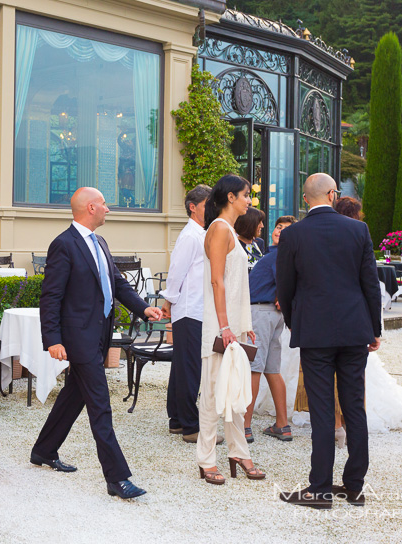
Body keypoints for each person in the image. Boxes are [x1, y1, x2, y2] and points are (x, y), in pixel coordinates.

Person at [27, 187, 162, 500]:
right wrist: (53, 340)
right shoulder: (63, 244)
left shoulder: (99, 241)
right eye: (104, 204)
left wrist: (143, 307)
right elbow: (51, 296)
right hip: (79, 338)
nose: (108, 209)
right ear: (90, 207)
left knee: (74, 395)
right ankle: (117, 479)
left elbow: (116, 283)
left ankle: (43, 450)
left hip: (99, 335)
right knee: (100, 405)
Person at [277, 173, 381, 509]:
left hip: (316, 333)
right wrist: (374, 328)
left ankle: (319, 489)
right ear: (333, 195)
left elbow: (285, 287)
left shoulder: (293, 234)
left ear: (306, 199)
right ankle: (354, 487)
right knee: (354, 408)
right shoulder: (358, 230)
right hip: (354, 331)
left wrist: (296, 323)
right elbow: (370, 283)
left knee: (322, 411)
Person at [197, 174, 264, 486]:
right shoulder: (219, 229)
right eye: (245, 194)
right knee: (212, 393)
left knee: (236, 391)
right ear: (231, 198)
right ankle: (206, 460)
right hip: (218, 326)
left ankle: (239, 452)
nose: (249, 200)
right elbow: (217, 281)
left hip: (232, 327)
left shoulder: (231, 231)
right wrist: (225, 325)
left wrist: (244, 325)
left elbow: (239, 285)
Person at [160, 184, 211, 443]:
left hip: (194, 308)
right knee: (190, 369)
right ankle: (191, 426)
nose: (211, 209)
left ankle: (178, 421)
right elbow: (177, 271)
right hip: (190, 309)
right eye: (206, 204)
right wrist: (169, 301)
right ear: (193, 207)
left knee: (182, 367)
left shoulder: (200, 233)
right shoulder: (191, 235)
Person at [243, 215, 296, 444]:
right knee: (272, 370)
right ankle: (282, 425)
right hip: (272, 315)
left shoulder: (280, 255)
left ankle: (244, 427)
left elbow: (286, 280)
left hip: (261, 312)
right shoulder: (272, 253)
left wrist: (281, 296)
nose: (279, 230)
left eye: (286, 229)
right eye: (278, 226)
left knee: (254, 368)